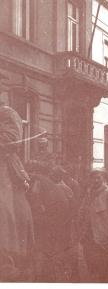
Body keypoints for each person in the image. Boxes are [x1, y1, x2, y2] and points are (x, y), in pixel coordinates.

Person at [0, 88, 34, 281]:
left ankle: (8, 252)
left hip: (4, 165)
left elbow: (12, 139)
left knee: (4, 207)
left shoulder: (8, 113)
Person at [79, 169, 108, 282]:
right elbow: (82, 212)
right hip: (88, 235)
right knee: (91, 263)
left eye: (99, 178)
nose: (96, 180)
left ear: (103, 179)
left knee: (105, 265)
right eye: (93, 178)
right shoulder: (89, 193)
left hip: (104, 235)